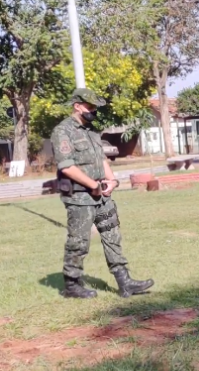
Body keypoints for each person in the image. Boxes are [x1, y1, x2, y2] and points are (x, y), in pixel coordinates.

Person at [51, 88, 153, 299]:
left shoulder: (91, 131)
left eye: (95, 107)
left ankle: (125, 282)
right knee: (78, 242)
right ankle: (72, 285)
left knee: (112, 235)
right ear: (77, 106)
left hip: (102, 195)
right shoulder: (63, 132)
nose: (93, 111)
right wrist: (92, 186)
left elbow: (102, 159)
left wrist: (112, 180)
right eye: (90, 107)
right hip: (80, 197)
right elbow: (67, 166)